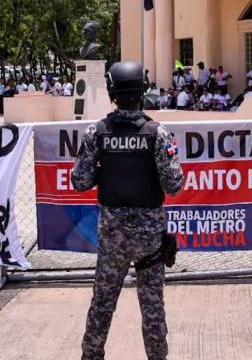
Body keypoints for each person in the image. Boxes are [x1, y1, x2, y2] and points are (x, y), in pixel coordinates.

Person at [71, 61, 183, 360]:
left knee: (103, 303)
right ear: (142, 91)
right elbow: (173, 185)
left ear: (112, 92)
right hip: (149, 240)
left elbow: (79, 181)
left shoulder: (97, 132)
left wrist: (103, 172)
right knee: (153, 307)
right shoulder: (158, 133)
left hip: (113, 237)